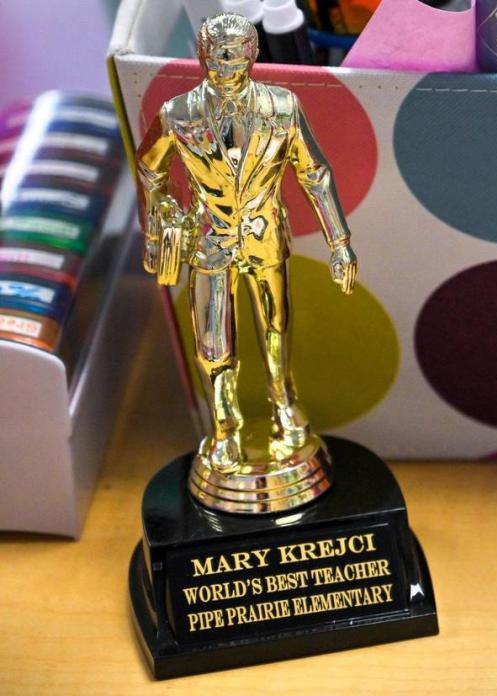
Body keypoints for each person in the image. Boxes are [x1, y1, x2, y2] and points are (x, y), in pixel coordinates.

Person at [137, 12, 357, 475]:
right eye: (218, 55)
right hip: (207, 241)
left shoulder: (283, 107)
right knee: (213, 342)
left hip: (266, 238)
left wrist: (340, 241)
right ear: (202, 55)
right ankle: (224, 427)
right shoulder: (177, 114)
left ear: (254, 55)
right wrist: (159, 219)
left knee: (277, 327)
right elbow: (148, 166)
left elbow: (314, 174)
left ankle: (284, 405)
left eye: (236, 55)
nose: (227, 64)